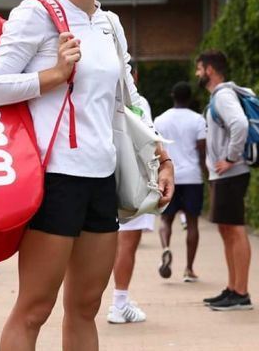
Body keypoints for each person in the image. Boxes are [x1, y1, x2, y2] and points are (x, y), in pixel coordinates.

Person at [0, 0, 174, 350]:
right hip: (55, 179)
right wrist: (53, 75)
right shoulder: (37, 13)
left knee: (85, 307)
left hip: (102, 179)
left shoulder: (110, 24)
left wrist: (163, 156)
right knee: (35, 308)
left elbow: (129, 99)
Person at [196, 50, 253, 311]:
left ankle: (241, 292)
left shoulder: (223, 95)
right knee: (227, 230)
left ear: (209, 70)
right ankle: (232, 288)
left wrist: (231, 157)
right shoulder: (219, 96)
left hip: (231, 173)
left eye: (199, 69)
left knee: (235, 228)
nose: (197, 73)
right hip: (223, 175)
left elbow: (240, 124)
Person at [108, 61, 154, 324]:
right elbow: (146, 139)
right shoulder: (138, 101)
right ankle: (119, 303)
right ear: (133, 75)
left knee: (113, 242)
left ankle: (117, 299)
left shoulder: (100, 98)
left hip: (105, 173)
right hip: (131, 178)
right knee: (128, 242)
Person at [155, 81, 207, 283]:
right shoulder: (198, 120)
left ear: (172, 95)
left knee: (165, 220)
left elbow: (155, 149)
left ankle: (166, 248)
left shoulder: (160, 120)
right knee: (192, 223)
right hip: (192, 177)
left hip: (169, 176)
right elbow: (202, 151)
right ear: (190, 97)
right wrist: (207, 176)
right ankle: (189, 269)